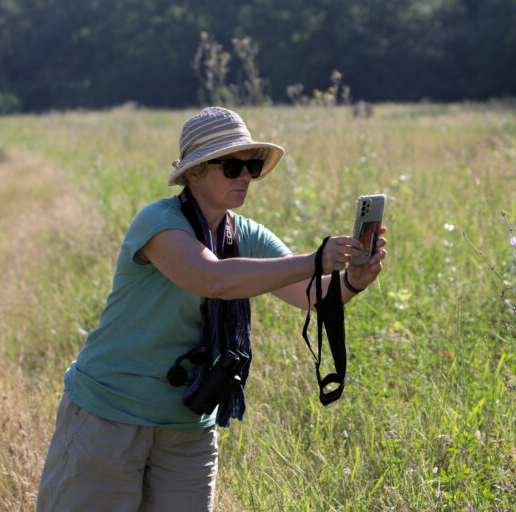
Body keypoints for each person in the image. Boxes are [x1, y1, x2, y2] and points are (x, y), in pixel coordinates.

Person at [36, 107, 387, 511]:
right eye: (232, 165)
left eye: (251, 166)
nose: (244, 177)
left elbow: (310, 294)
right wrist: (314, 260)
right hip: (108, 418)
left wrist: (353, 280)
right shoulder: (159, 222)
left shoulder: (245, 233)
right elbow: (213, 278)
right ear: (195, 172)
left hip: (188, 425)